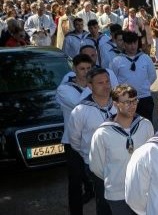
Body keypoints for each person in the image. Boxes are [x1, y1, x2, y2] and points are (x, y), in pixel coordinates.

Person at [89, 85, 154, 215]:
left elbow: (152, 157)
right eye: (126, 102)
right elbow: (97, 167)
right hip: (117, 194)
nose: (132, 105)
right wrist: (115, 177)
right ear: (115, 104)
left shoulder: (145, 125)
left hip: (142, 191)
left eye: (135, 100)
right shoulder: (102, 133)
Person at [68, 68, 118, 215]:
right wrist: (88, 155)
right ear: (90, 86)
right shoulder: (80, 110)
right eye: (100, 83)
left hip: (121, 162)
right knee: (104, 203)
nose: (106, 85)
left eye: (107, 81)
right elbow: (75, 140)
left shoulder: (119, 105)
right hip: (97, 165)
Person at [57, 54, 95, 215]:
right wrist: (91, 86)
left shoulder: (95, 85)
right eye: (82, 69)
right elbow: (80, 104)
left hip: (93, 139)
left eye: (88, 68)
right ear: (74, 69)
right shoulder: (64, 89)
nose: (85, 72)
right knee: (75, 182)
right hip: (73, 142)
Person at [110, 31, 157, 122]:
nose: (133, 46)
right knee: (127, 124)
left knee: (146, 123)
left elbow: (152, 75)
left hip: (144, 97)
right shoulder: (117, 60)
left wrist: (144, 86)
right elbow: (113, 79)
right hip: (125, 100)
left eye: (135, 43)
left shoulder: (145, 58)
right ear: (124, 44)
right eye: (129, 43)